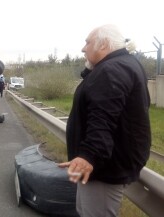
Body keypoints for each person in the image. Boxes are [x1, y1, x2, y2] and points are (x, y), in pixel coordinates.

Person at [58, 24, 151, 217]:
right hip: (100, 164)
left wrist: (89, 156)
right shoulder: (121, 64)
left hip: (103, 168)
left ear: (104, 45)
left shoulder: (111, 70)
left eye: (87, 42)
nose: (83, 48)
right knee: (83, 211)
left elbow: (103, 118)